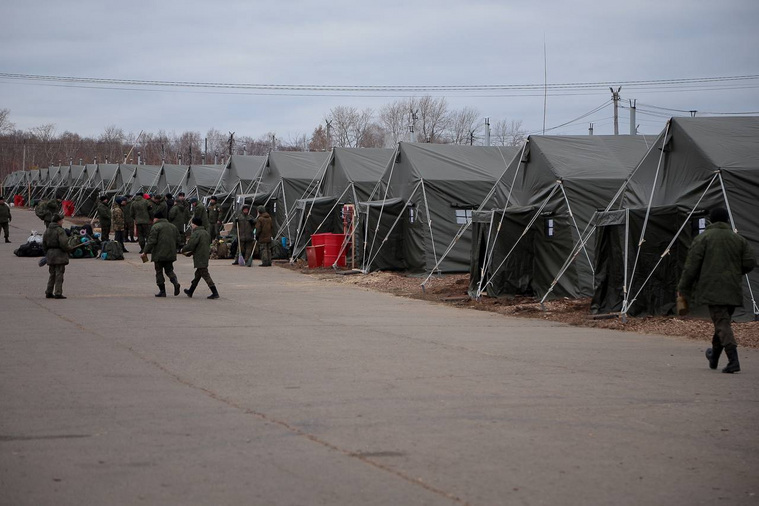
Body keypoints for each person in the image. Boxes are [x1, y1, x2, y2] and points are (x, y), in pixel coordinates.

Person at [678, 207, 756, 374]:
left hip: (713, 290)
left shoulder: (703, 238)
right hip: (733, 289)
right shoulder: (738, 239)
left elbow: (691, 267)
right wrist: (735, 272)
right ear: (727, 220)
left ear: (711, 221)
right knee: (722, 322)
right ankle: (713, 357)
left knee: (722, 323)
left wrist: (683, 288)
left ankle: (733, 360)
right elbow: (750, 261)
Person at [142, 210, 182, 297]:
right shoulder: (173, 226)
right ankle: (175, 282)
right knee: (169, 270)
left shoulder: (156, 227)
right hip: (171, 253)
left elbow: (152, 241)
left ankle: (162, 291)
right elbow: (179, 240)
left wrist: (145, 251)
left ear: (156, 218)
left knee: (159, 272)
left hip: (159, 254)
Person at [182, 216, 219, 299]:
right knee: (198, 275)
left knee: (205, 275)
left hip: (199, 257)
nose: (191, 225)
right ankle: (190, 291)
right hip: (204, 255)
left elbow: (191, 245)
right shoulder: (206, 233)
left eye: (192, 223)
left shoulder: (196, 233)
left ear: (195, 225)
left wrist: (183, 249)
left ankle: (215, 292)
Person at [42, 214, 72, 299]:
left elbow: (43, 243)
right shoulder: (60, 230)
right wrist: (69, 249)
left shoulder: (47, 230)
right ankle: (58, 292)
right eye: (62, 220)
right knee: (59, 274)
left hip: (50, 254)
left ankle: (49, 291)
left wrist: (47, 253)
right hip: (59, 254)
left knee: (52, 274)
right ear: (58, 221)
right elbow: (63, 243)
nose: (62, 222)